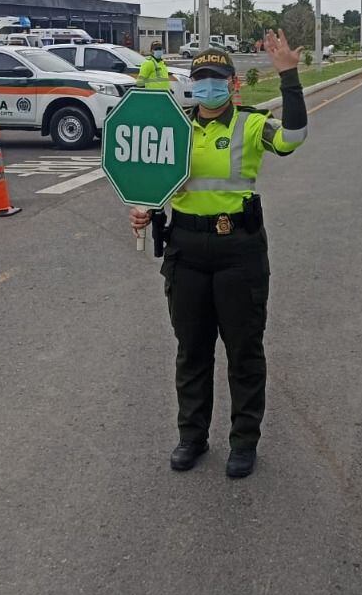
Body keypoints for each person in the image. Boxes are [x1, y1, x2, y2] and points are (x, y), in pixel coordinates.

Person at [130, 29, 307, 480]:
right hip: (186, 250)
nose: (208, 85)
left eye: (217, 78)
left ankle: (244, 441)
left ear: (232, 84)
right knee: (192, 350)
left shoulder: (250, 124)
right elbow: (151, 179)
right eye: (200, 77)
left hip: (238, 251)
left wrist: (288, 75)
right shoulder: (173, 128)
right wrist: (144, 207)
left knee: (244, 351)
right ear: (192, 83)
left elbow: (293, 137)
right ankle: (192, 436)